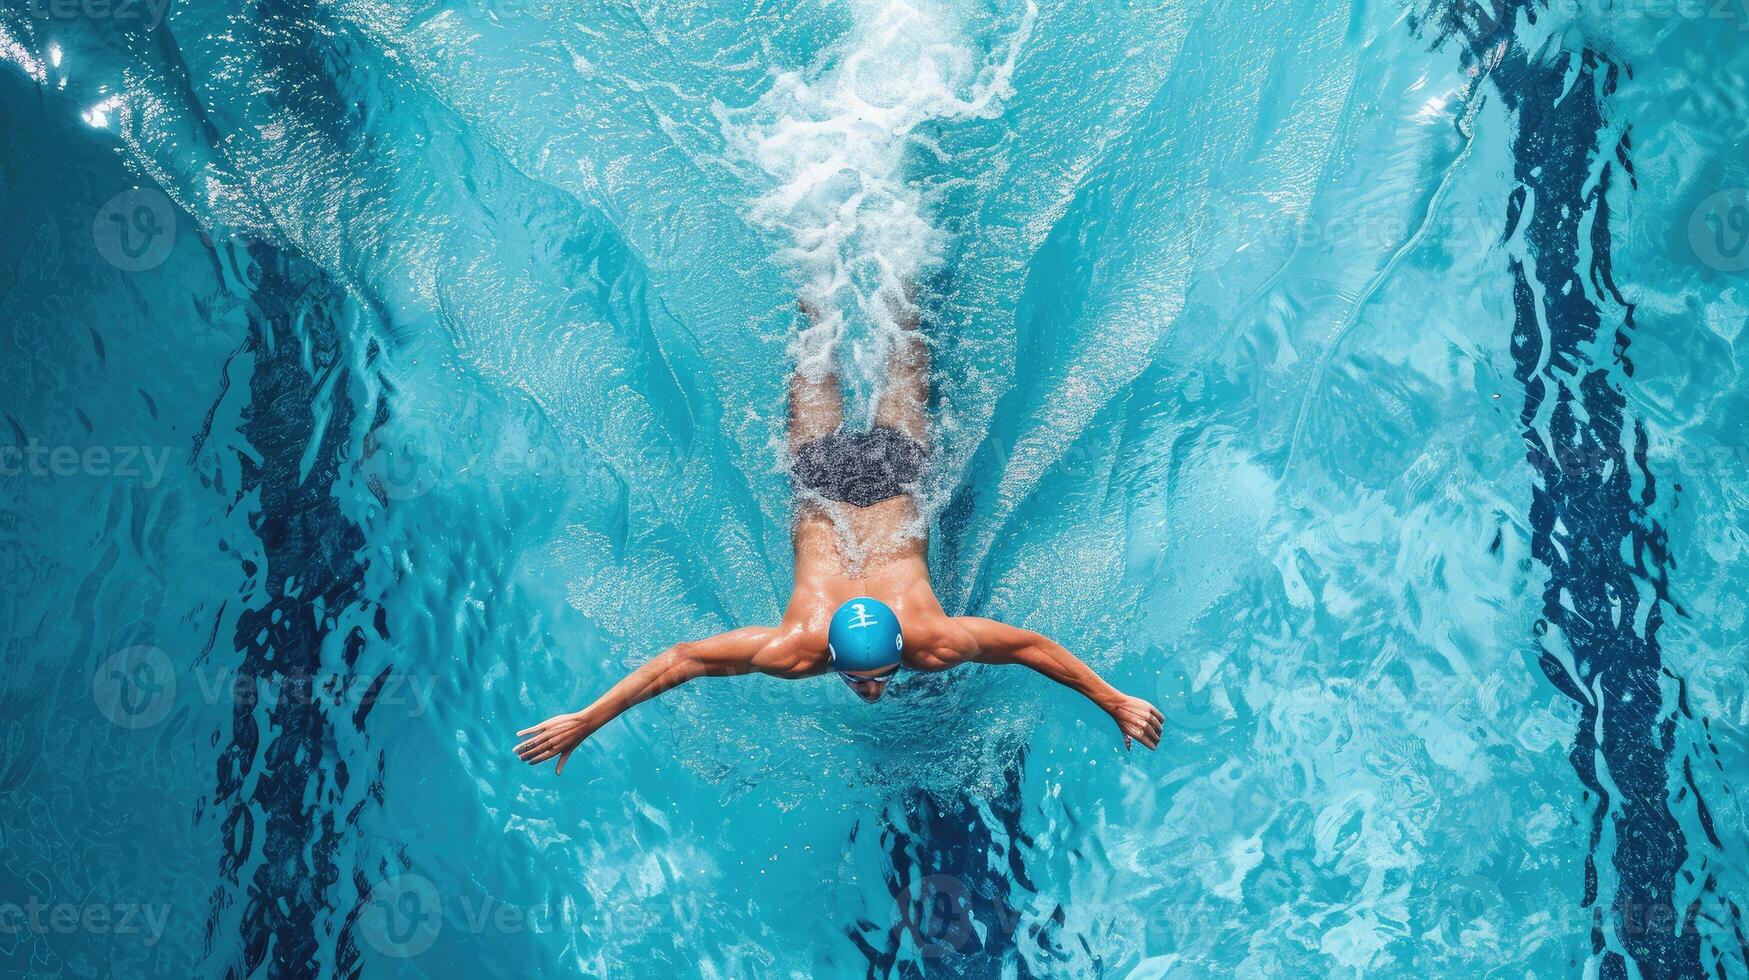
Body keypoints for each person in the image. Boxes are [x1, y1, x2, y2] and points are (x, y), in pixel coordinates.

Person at [516, 291, 1164, 774]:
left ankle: (837, 255)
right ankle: (874, 253)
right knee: (889, 341)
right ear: (832, 659)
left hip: (827, 479)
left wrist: (1113, 700)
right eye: (866, 682)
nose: (874, 690)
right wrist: (585, 720)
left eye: (876, 678)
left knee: (830, 339)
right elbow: (681, 660)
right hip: (876, 474)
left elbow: (1030, 647)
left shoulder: (894, 640)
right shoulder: (815, 648)